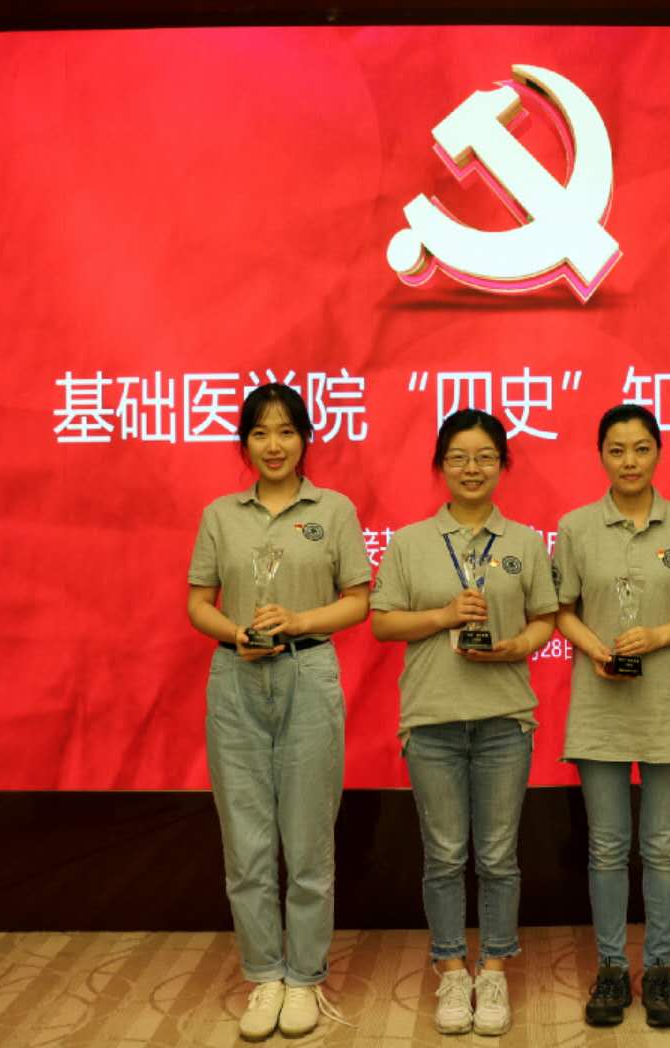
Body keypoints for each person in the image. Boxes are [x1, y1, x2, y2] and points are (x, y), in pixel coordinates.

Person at [185, 382, 372, 1042]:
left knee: (309, 836)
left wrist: (298, 621)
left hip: (308, 672)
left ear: (305, 439)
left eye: (287, 431)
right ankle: (264, 974)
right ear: (244, 443)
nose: (274, 444)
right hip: (235, 677)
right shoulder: (220, 514)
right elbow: (198, 603)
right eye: (260, 432)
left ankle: (305, 978)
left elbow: (359, 600)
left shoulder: (334, 509)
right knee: (246, 841)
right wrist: (234, 631)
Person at [370, 409, 559, 1037]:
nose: (471, 469)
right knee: (445, 854)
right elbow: (382, 622)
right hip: (432, 719)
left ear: (502, 465)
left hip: (505, 718)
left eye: (484, 457)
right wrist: (443, 615)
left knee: (499, 855)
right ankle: (451, 968)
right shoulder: (410, 542)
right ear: (440, 466)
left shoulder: (524, 542)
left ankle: (494, 968)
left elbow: (545, 618)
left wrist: (518, 645)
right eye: (458, 457)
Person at [552, 404, 670, 1029]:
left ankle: (658, 968)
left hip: (669, 705)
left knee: (663, 846)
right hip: (600, 705)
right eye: (617, 449)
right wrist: (596, 647)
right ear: (601, 455)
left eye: (641, 448)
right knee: (606, 846)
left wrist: (657, 636)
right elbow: (560, 609)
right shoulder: (576, 527)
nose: (629, 461)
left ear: (658, 453)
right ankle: (610, 967)